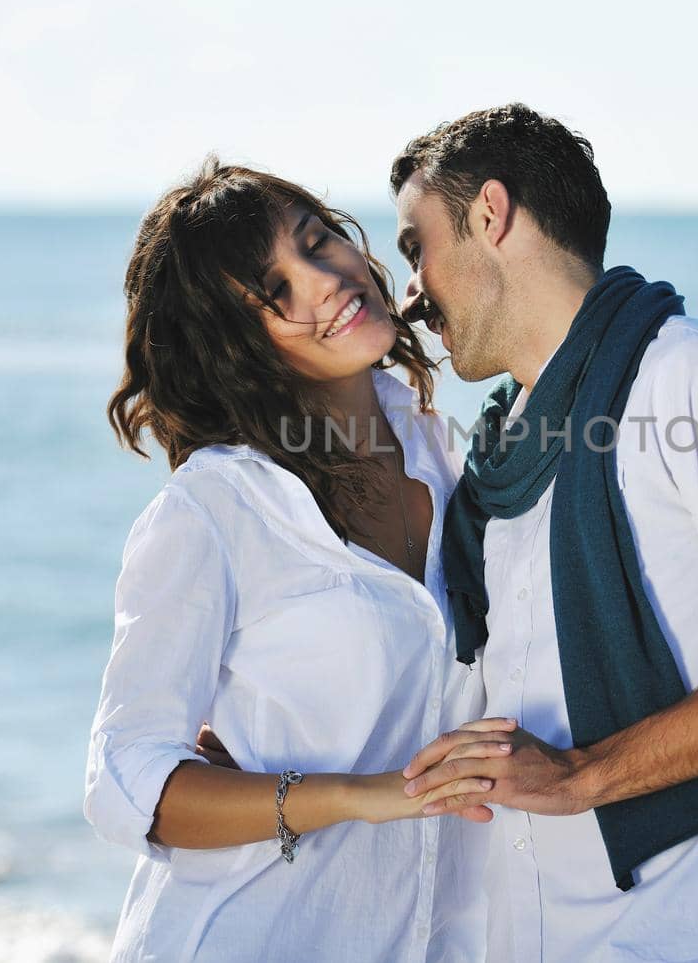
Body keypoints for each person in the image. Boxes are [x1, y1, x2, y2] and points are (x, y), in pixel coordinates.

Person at [391, 104, 698, 963]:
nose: (410, 289)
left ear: (490, 214)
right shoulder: (502, 449)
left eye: (415, 246)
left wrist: (585, 774)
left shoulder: (696, 376)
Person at [83, 158, 505, 962]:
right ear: (238, 346)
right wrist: (356, 796)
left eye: (317, 242)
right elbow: (124, 779)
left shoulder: (441, 457)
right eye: (275, 292)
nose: (324, 280)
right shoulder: (214, 512)